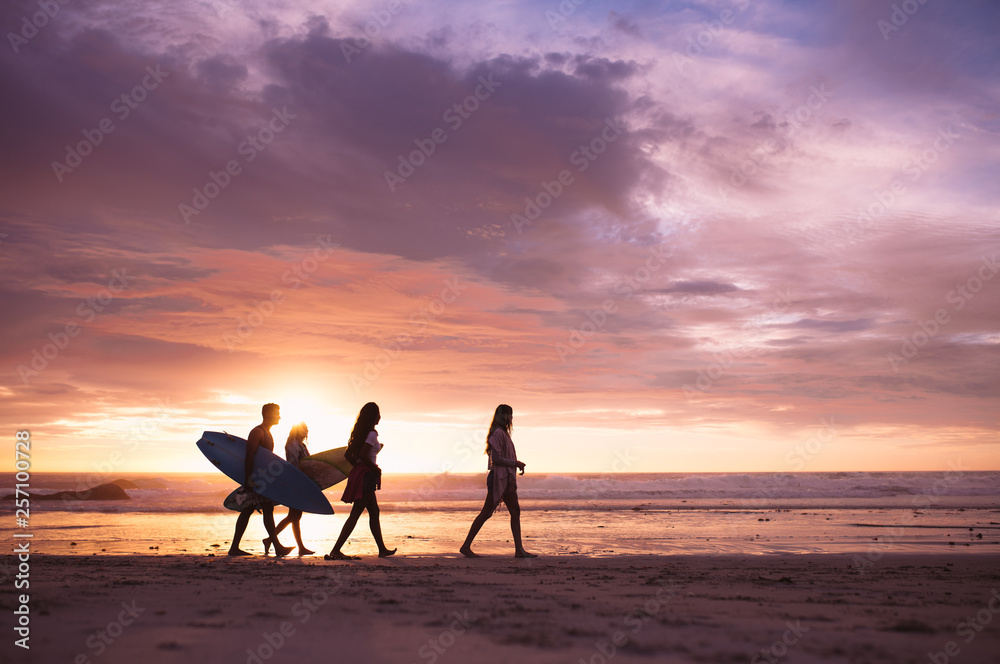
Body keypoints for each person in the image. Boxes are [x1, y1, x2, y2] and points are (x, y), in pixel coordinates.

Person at [460, 404, 536, 558]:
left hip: (505, 479)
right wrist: (516, 463)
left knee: (514, 512)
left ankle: (519, 550)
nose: (512, 418)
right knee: (486, 513)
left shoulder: (503, 434)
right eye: (510, 415)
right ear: (505, 416)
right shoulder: (497, 434)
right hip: (498, 479)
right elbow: (496, 459)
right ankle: (466, 546)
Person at [325, 402, 396, 559]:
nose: (380, 417)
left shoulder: (362, 433)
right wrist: (374, 468)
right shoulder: (372, 434)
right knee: (356, 513)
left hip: (362, 474)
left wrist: (358, 467)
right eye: (378, 414)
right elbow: (364, 455)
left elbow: (350, 455)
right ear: (373, 416)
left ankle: (382, 549)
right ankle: (336, 550)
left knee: (374, 512)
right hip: (367, 476)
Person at [228, 403, 293, 557]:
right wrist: (249, 480)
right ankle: (276, 546)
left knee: (250, 510)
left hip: (262, 478)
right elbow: (249, 456)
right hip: (255, 479)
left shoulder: (267, 432)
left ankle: (235, 547)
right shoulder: (257, 432)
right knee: (264, 509)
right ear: (269, 414)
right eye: (277, 413)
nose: (279, 416)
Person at [264, 422, 314, 556]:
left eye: (306, 428)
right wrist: (299, 483)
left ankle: (271, 540)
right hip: (294, 483)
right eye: (303, 428)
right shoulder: (293, 445)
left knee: (295, 516)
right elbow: (293, 466)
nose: (306, 430)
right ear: (296, 430)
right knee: (294, 516)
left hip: (299, 483)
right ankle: (272, 540)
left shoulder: (300, 444)